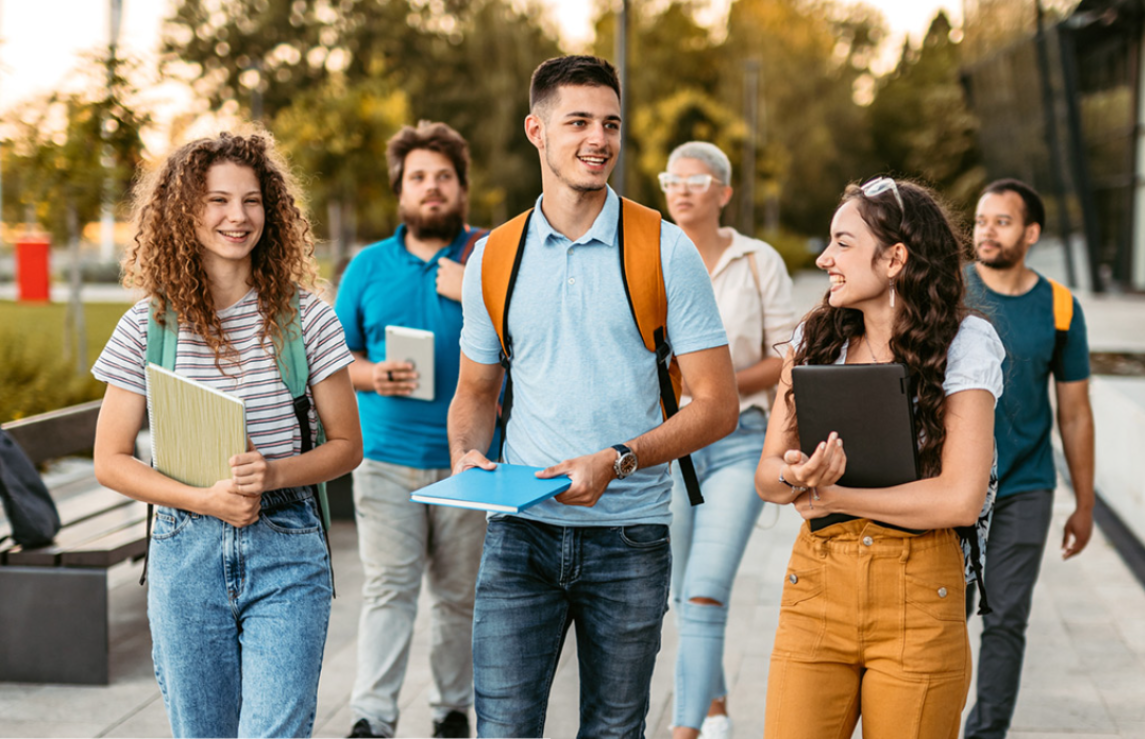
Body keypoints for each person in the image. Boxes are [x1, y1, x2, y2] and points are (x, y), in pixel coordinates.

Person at [447, 55, 739, 738]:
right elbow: (475, 391)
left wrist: (620, 458)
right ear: (536, 131)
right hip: (519, 533)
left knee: (614, 729)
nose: (598, 138)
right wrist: (466, 454)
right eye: (577, 121)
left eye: (609, 123)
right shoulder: (494, 257)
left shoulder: (665, 251)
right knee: (504, 727)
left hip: (630, 537)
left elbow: (716, 405)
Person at [92, 130, 363, 738]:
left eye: (251, 200)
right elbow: (109, 460)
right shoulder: (148, 326)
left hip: (287, 547)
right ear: (185, 211)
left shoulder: (306, 317)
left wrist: (273, 474)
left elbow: (348, 445)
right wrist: (202, 500)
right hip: (183, 554)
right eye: (217, 200)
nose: (237, 217)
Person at [756, 177, 1005, 738]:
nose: (824, 259)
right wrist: (794, 475)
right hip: (817, 587)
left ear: (895, 257)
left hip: (920, 596)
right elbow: (768, 476)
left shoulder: (966, 344)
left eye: (842, 243)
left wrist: (834, 496)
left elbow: (960, 498)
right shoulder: (814, 340)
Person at [335, 121, 494, 739]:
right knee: (389, 589)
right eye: (419, 178)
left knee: (459, 600)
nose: (432, 189)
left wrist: (475, 289)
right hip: (386, 459)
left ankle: (452, 713)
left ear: (461, 188)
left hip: (471, 463)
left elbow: (531, 342)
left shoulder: (490, 256)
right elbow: (335, 358)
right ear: (400, 190)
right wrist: (373, 375)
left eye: (444, 178)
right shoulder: (367, 267)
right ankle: (372, 718)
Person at [658, 141, 795, 739]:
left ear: (724, 192)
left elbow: (790, 354)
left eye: (697, 179)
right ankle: (713, 706)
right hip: (671, 446)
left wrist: (719, 388)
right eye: (673, 179)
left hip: (741, 442)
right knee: (681, 595)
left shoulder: (758, 259)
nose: (682, 189)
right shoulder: (651, 254)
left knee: (706, 592)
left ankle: (683, 731)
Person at [963, 178, 1094, 739]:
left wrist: (1085, 503)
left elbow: (1075, 413)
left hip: (1026, 484)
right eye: (980, 221)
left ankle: (985, 733)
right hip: (952, 484)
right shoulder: (949, 291)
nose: (986, 232)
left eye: (1002, 221)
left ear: (1031, 233)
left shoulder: (1061, 308)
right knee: (939, 618)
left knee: (1006, 619)